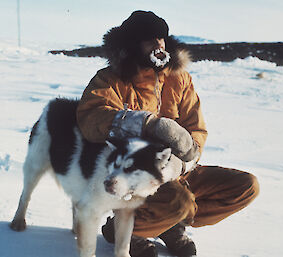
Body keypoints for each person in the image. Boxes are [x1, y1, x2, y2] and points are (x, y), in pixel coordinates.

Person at [76, 10, 259, 257]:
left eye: (161, 38)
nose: (158, 45)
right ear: (132, 45)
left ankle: (170, 224)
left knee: (246, 186)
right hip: (135, 177)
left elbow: (196, 128)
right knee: (179, 201)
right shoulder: (109, 80)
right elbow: (90, 118)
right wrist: (144, 123)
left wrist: (185, 161)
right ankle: (128, 228)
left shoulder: (179, 78)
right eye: (150, 40)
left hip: (177, 171)